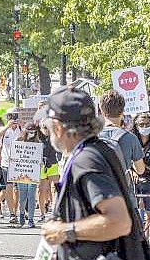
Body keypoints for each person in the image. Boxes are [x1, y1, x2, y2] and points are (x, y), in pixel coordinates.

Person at [39, 86, 149, 260]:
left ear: (59, 127)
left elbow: (119, 222)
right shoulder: (95, 150)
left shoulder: (87, 160)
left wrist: (65, 232)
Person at [98, 90, 146, 183]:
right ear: (123, 111)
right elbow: (140, 170)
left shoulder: (92, 137)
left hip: (99, 192)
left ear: (102, 111)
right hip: (122, 193)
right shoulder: (131, 138)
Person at [14, 123, 41, 228]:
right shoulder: (19, 141)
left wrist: (40, 162)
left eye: (33, 131)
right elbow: (15, 153)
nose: (31, 133)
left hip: (32, 173)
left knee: (31, 196)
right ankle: (21, 214)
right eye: (29, 131)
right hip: (21, 173)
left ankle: (31, 219)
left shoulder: (38, 142)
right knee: (23, 196)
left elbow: (39, 156)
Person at [0, 111, 22, 224]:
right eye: (12, 120)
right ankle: (11, 213)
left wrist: (22, 127)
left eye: (15, 120)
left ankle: (16, 210)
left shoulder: (21, 130)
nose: (14, 123)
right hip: (6, 163)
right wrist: (7, 126)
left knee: (17, 190)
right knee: (8, 188)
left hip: (19, 164)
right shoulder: (5, 130)